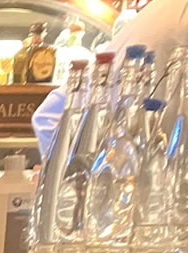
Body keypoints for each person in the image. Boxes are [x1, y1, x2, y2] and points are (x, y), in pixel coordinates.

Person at [33, 0, 188, 155]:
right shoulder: (176, 15)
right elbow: (50, 118)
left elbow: (48, 117)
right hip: (134, 155)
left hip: (138, 151)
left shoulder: (165, 9)